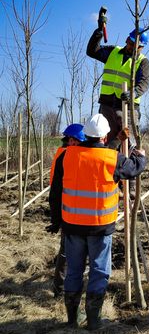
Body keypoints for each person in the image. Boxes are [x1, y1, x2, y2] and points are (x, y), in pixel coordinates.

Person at [47, 113, 147, 330]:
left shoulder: (67, 156)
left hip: (72, 226)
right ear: (104, 137)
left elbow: (55, 192)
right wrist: (141, 155)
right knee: (99, 271)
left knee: (73, 271)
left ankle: (72, 319)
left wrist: (56, 220)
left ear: (86, 135)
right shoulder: (113, 159)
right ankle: (94, 320)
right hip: (100, 228)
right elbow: (135, 168)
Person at [86, 10, 149, 150]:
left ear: (141, 47)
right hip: (107, 105)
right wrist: (99, 31)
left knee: (128, 143)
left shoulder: (143, 62)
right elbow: (92, 51)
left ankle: (127, 169)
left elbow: (144, 84)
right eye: (130, 42)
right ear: (127, 39)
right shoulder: (113, 52)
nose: (131, 46)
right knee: (106, 141)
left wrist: (133, 93)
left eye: (135, 45)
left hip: (127, 108)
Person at [46, 124, 86, 298]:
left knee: (69, 253)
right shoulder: (68, 156)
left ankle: (63, 288)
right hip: (69, 213)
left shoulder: (64, 154)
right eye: (72, 141)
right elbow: (55, 192)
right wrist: (56, 219)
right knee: (67, 253)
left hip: (73, 210)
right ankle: (61, 290)